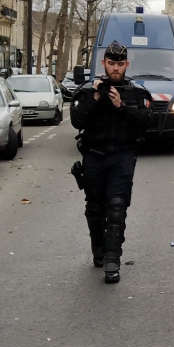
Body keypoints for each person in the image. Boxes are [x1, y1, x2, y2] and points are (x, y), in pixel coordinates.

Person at [69, 41, 153, 284]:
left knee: (117, 207)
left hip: (122, 156)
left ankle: (112, 260)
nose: (115, 68)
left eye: (119, 64)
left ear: (126, 65)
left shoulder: (136, 93)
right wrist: (95, 98)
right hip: (94, 155)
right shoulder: (88, 91)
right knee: (95, 207)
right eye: (111, 63)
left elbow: (147, 120)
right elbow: (76, 121)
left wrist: (121, 106)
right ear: (103, 63)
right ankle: (99, 250)